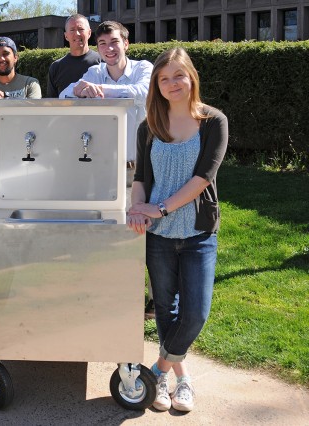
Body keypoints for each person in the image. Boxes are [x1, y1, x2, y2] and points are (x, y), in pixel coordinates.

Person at [127, 47, 229, 413]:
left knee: (196, 312)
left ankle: (157, 372)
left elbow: (203, 178)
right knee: (166, 313)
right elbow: (140, 178)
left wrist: (160, 207)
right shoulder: (149, 126)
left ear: (192, 78)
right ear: (157, 84)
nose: (172, 84)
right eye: (164, 78)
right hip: (157, 237)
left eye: (179, 76)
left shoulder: (213, 121)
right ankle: (179, 381)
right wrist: (139, 208)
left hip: (198, 234)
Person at [59, 21, 153, 180]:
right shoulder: (94, 72)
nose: (109, 49)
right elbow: (64, 96)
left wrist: (100, 90)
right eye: (102, 43)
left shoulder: (143, 68)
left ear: (126, 44)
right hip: (101, 168)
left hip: (140, 169)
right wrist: (78, 91)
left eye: (114, 42)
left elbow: (144, 93)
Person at [46, 14, 101, 98]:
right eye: (72, 30)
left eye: (81, 29)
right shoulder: (56, 67)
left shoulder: (102, 62)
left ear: (89, 33)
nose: (77, 33)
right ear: (66, 36)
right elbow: (52, 103)